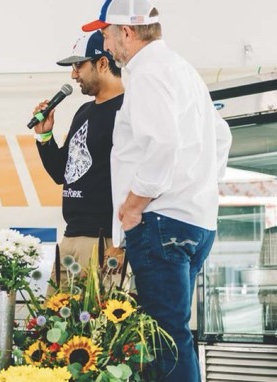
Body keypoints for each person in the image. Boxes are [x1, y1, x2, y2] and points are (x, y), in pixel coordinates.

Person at [82, 0, 232, 380]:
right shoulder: (183, 70)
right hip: (196, 220)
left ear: (127, 33)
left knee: (165, 336)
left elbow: (162, 144)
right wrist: (199, 187)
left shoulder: (148, 74)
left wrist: (134, 206)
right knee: (174, 333)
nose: (104, 42)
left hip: (161, 222)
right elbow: (222, 135)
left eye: (105, 33)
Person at [33, 31, 125, 292]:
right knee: (54, 325)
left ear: (103, 63)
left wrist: (120, 243)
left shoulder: (128, 110)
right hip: (71, 236)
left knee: (99, 328)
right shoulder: (83, 111)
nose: (73, 75)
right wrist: (45, 136)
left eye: (78, 65)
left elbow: (138, 179)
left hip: (105, 240)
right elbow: (62, 172)